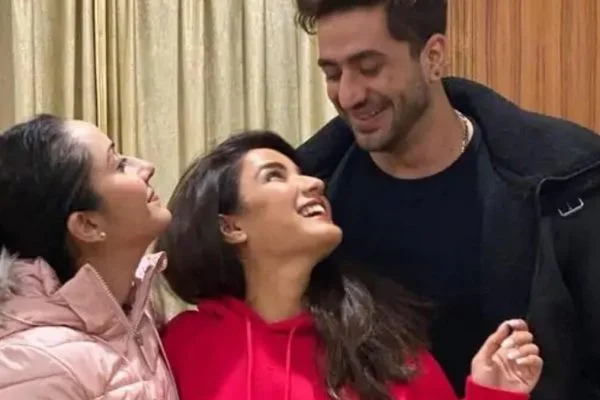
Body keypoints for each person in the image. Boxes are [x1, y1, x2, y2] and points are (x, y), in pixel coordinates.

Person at [292, 1, 600, 399]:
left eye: (369, 68)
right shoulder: (311, 205)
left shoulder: (568, 182)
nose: (349, 95)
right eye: (333, 74)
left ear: (434, 57)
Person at [158, 130, 542, 400]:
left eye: (303, 173)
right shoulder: (182, 345)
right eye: (275, 176)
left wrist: (494, 395)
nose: (313, 184)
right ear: (231, 226)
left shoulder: (385, 348)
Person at [0, 114, 178, 399]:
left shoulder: (137, 314)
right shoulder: (31, 367)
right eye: (119, 165)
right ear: (87, 225)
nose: (146, 167)